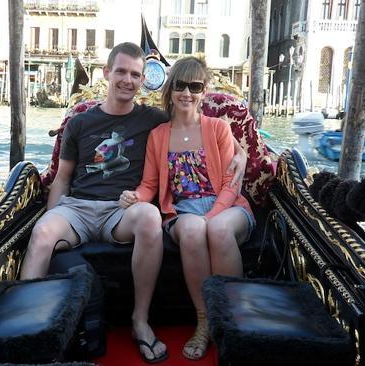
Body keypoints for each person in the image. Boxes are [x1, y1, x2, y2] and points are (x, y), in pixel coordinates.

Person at [18, 43, 247, 363]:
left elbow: (201, 124)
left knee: (151, 217)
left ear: (143, 81)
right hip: (78, 210)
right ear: (107, 73)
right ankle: (26, 331)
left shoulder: (151, 118)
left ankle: (143, 322)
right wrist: (52, 219)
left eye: (135, 74)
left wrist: (242, 151)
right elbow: (62, 179)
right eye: (122, 72)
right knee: (42, 233)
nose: (128, 80)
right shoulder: (81, 122)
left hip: (120, 212)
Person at [119, 56, 255, 360]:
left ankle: (233, 318)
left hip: (229, 206)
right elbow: (150, 185)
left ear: (204, 90)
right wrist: (136, 197)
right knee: (193, 229)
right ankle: (205, 322)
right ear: (170, 88)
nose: (187, 93)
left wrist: (211, 215)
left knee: (217, 229)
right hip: (182, 212)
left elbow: (232, 183)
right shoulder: (158, 136)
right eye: (180, 85)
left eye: (195, 86)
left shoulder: (218, 128)